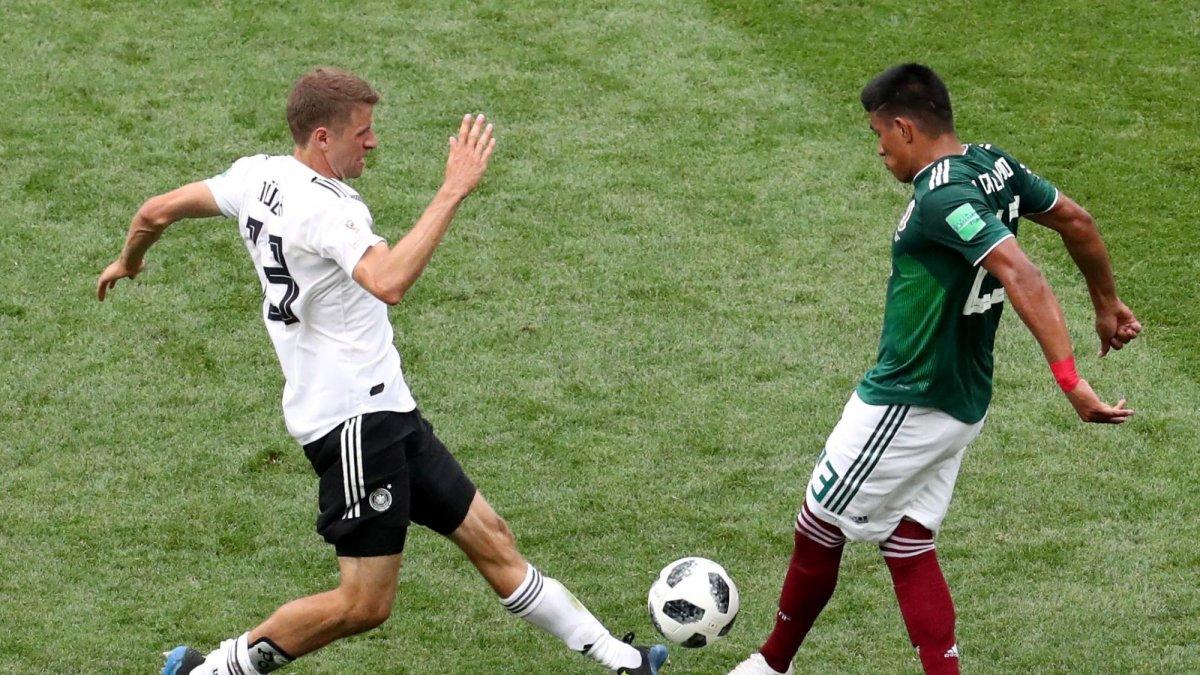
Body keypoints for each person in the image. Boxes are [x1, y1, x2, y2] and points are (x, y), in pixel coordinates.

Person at [96, 66, 667, 675]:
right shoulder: (327, 210)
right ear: (322, 137)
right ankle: (211, 671)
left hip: (388, 408)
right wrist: (453, 189)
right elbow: (388, 281)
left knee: (492, 538)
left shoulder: (256, 176)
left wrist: (129, 260)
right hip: (353, 424)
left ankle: (623, 661)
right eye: (361, 132)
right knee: (365, 604)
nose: (372, 141)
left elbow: (156, 211)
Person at [729, 63, 1141, 675]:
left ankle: (770, 666)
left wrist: (1070, 381)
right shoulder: (992, 164)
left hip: (910, 397)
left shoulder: (942, 197)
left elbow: (1022, 273)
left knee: (818, 523)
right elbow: (1077, 221)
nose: (880, 150)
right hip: (963, 398)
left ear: (904, 128)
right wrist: (1106, 304)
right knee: (908, 540)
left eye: (880, 135)